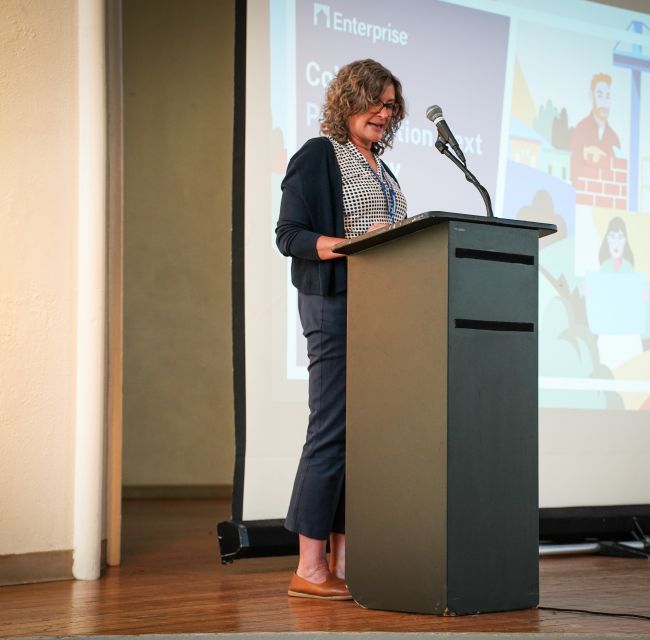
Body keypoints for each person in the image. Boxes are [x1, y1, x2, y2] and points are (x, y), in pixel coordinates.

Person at [274, 59, 408, 601]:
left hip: (380, 311)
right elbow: (290, 235)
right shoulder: (320, 154)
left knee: (362, 438)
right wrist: (352, 245)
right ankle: (309, 567)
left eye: (391, 105)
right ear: (350, 99)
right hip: (333, 304)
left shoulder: (382, 167)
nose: (384, 111)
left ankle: (346, 561)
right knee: (330, 429)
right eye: (376, 100)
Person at [570, 73, 621, 181]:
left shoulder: (614, 138)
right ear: (591, 96)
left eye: (607, 97)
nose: (604, 103)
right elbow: (573, 169)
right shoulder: (580, 129)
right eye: (600, 96)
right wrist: (584, 153)